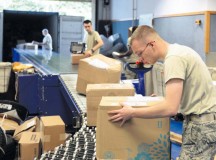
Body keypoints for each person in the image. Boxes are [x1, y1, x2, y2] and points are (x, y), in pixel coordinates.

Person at [108, 25, 216, 159]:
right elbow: (190, 89)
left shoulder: (174, 59)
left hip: (202, 125)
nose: (140, 59)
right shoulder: (178, 51)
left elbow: (170, 108)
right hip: (199, 121)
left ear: (151, 44)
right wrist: (163, 98)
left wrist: (132, 112)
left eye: (140, 53)